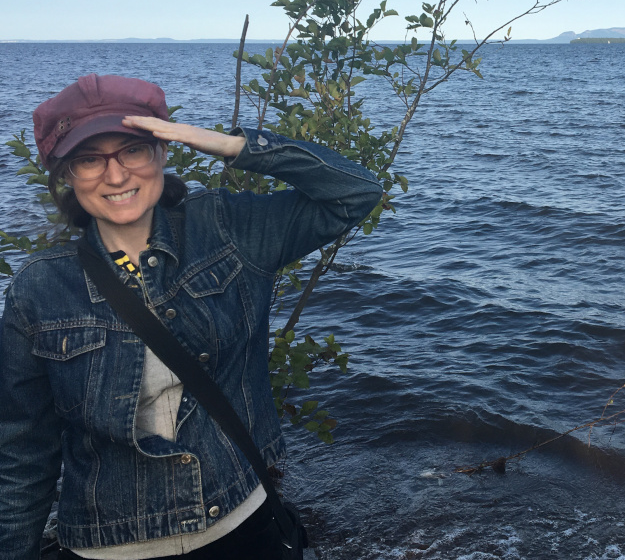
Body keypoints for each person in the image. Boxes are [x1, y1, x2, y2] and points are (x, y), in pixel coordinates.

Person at [0, 74, 383, 559]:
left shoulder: (227, 229)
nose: (115, 177)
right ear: (67, 176)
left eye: (133, 150)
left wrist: (233, 145)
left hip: (241, 525)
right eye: (89, 159)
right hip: (108, 545)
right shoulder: (39, 288)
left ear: (162, 151)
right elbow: (21, 452)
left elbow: (357, 192)